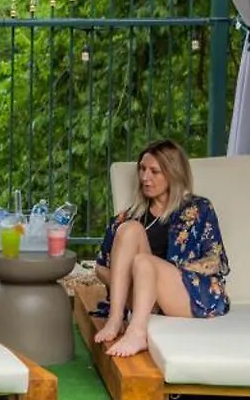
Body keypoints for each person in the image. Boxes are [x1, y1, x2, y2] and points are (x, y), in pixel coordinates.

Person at [90, 138, 230, 358]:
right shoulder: (128, 217)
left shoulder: (199, 209)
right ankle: (115, 320)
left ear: (173, 173)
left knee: (143, 262)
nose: (145, 177)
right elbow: (101, 267)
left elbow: (215, 260)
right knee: (130, 230)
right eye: (142, 169)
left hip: (186, 292)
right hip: (144, 297)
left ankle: (137, 333)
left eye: (154, 171)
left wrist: (164, 273)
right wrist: (132, 285)